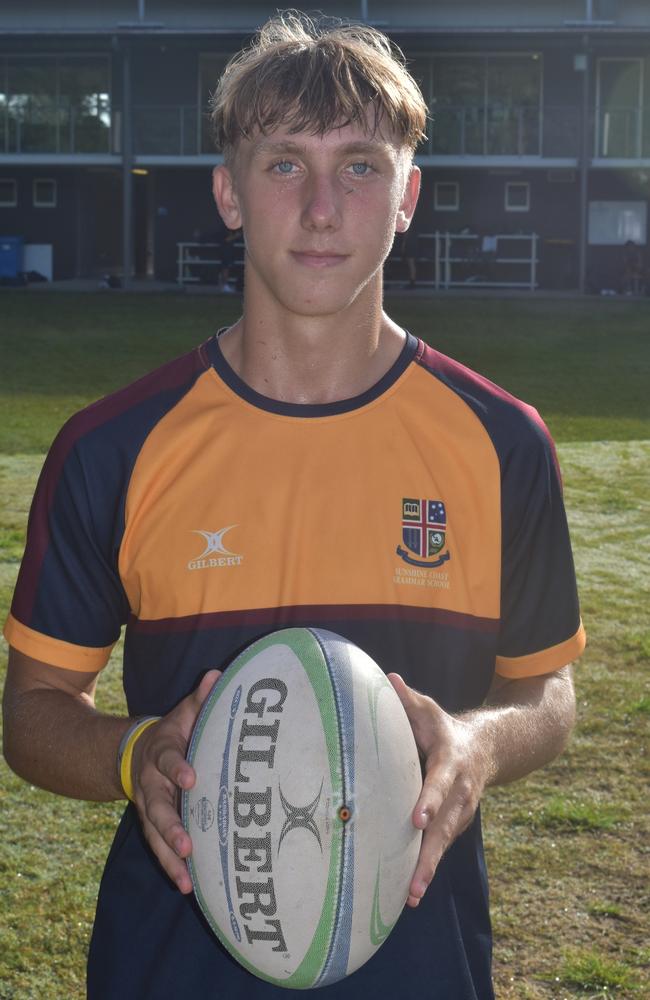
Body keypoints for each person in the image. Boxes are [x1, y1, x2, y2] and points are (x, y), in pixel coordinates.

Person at [2, 12, 585, 1000]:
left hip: (419, 969)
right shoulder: (114, 446)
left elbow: (547, 696)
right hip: (170, 969)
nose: (321, 208)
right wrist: (133, 750)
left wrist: (478, 742)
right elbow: (32, 713)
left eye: (358, 166)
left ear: (406, 196)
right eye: (283, 165)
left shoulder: (499, 441)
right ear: (228, 194)